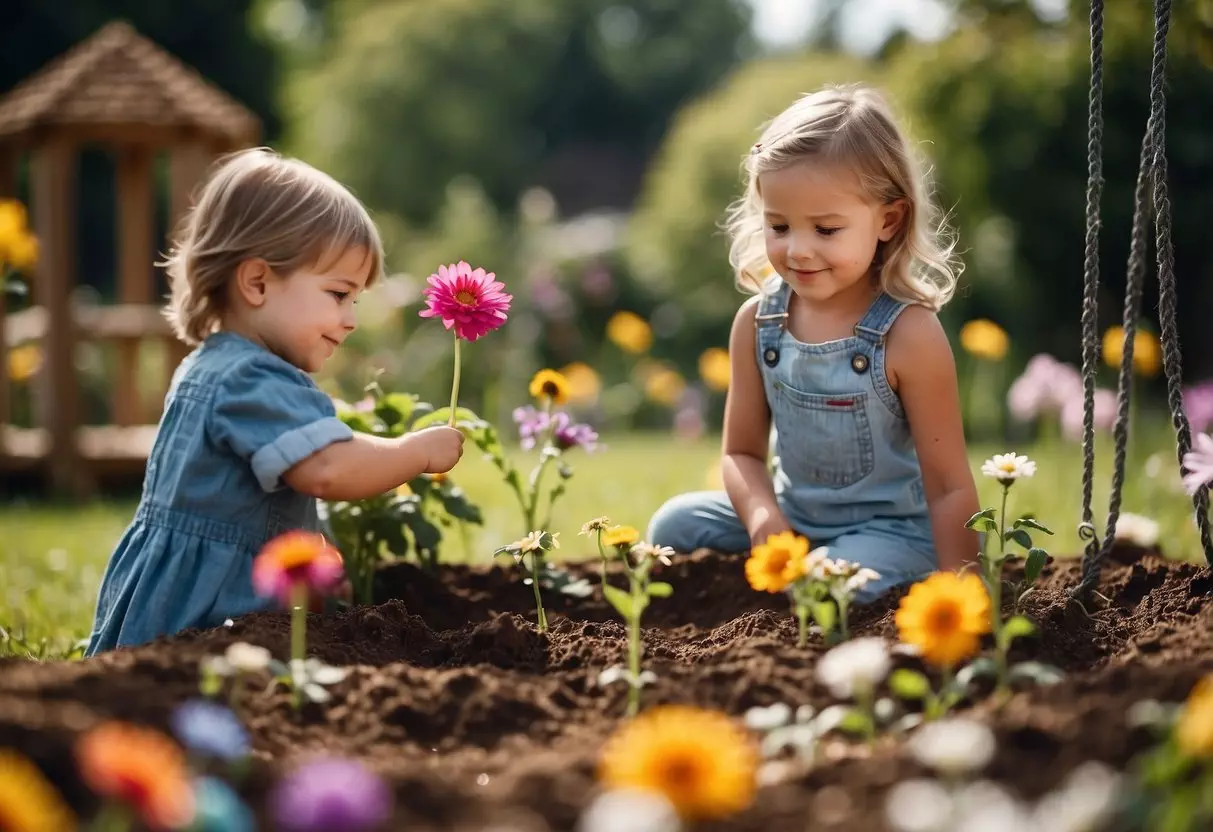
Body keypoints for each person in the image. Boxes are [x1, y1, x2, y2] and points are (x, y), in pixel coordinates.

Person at [85, 148, 465, 655]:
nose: (351, 319)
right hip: (201, 625)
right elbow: (327, 469)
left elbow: (278, 496)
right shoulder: (247, 377)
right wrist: (416, 451)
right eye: (338, 294)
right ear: (258, 281)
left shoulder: (223, 366)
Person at [647, 84, 980, 601]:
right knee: (674, 530)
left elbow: (949, 486)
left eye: (826, 230)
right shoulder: (758, 322)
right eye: (779, 225)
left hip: (894, 535)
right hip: (794, 519)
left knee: (820, 586)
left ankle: (832, 584)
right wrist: (763, 520)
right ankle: (784, 585)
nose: (798, 250)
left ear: (887, 220)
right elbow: (740, 454)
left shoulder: (909, 334)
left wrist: (963, 589)